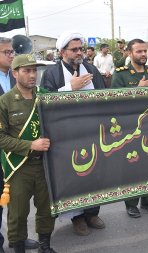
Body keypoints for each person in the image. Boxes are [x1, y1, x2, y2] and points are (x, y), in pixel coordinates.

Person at [40, 31, 106, 236]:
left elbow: (105, 97)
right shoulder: (52, 73)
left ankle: (92, 213)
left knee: (96, 175)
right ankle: (77, 218)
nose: (79, 53)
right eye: (74, 49)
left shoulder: (92, 68)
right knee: (74, 176)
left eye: (81, 49)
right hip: (67, 136)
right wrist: (70, 87)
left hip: (94, 132)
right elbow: (44, 103)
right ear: (62, 52)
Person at [0, 54, 57, 253]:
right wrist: (30, 145)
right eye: (27, 71)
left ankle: (45, 245)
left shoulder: (45, 96)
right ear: (15, 73)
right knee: (18, 213)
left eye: (34, 71)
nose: (32, 75)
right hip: (19, 166)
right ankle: (18, 248)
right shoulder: (5, 102)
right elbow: (1, 138)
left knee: (46, 208)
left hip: (45, 165)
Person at [111, 39, 148, 218]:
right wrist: (136, 90)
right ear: (130, 53)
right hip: (131, 128)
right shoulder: (121, 74)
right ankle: (131, 203)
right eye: (139, 51)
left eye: (145, 51)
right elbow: (115, 102)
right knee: (132, 166)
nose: (143, 55)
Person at [0, 39, 39, 252]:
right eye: (7, 52)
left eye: (13, 51)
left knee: (19, 204)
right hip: (8, 152)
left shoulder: (22, 81)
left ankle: (19, 241)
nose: (12, 54)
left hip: (20, 151)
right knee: (11, 206)